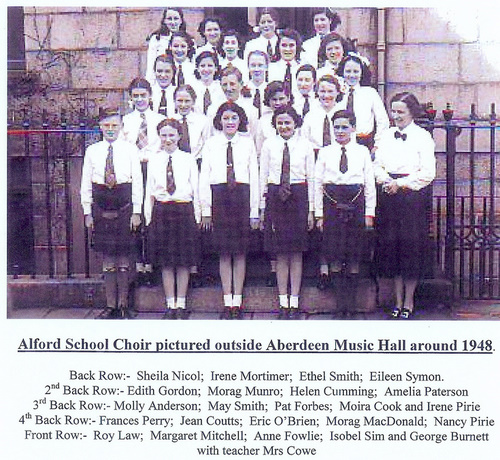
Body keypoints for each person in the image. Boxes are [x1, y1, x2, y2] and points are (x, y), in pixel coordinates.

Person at [374, 92, 436, 319]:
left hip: (411, 199)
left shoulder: (422, 137)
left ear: (412, 112)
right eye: (394, 111)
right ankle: (396, 301)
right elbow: (376, 165)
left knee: (411, 250)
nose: (396, 116)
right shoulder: (386, 136)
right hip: (389, 197)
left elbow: (427, 173)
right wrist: (387, 181)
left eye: (401, 111)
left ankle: (409, 301)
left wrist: (400, 184)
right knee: (392, 250)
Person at [80, 107, 143, 319]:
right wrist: (87, 212)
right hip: (101, 206)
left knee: (124, 258)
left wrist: (137, 211)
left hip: (124, 205)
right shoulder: (92, 151)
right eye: (106, 125)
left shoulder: (130, 149)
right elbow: (85, 184)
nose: (110, 129)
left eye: (114, 125)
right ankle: (110, 305)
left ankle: (124, 304)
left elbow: (138, 184)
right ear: (100, 127)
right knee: (108, 258)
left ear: (121, 127)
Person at [199, 102, 260, 319]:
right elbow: (204, 176)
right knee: (224, 252)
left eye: (234, 118)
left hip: (241, 197)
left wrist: (255, 211)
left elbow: (254, 177)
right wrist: (205, 209)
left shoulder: (248, 143)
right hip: (220, 197)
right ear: (219, 121)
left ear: (240, 121)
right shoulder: (211, 144)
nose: (230, 122)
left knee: (240, 252)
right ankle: (228, 301)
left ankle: (238, 302)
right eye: (226, 118)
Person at [315, 110, 376, 316]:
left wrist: (369, 213)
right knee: (334, 253)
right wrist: (319, 214)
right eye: (337, 127)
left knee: (353, 254)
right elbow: (317, 183)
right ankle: (339, 305)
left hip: (355, 202)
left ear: (353, 128)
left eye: (344, 127)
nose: (340, 131)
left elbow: (369, 184)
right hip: (332, 202)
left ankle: (351, 305)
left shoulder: (362, 152)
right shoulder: (325, 152)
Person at [260, 106, 315, 318]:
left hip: (298, 196)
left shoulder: (305, 146)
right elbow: (264, 175)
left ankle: (295, 301)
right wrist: (263, 209)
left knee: (296, 253)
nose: (284, 127)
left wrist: (311, 210)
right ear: (275, 124)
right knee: (281, 253)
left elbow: (311, 179)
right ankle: (283, 302)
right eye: (280, 123)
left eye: (288, 123)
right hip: (276, 197)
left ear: (296, 124)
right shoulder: (268, 145)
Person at [144, 119, 201, 319]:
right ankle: (170, 304)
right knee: (166, 261)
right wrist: (148, 216)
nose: (168, 139)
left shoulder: (188, 159)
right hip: (162, 210)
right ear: (159, 137)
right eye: (164, 135)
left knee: (183, 261)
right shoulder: (155, 160)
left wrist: (198, 215)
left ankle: (182, 303)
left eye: (172, 135)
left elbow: (196, 187)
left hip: (184, 210)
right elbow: (149, 190)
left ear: (179, 136)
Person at [121, 77, 166, 284]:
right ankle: (140, 267)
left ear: (150, 97)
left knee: (153, 216)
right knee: (136, 216)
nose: (140, 99)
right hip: (134, 170)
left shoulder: (158, 119)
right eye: (136, 96)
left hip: (153, 169)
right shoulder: (125, 121)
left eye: (143, 96)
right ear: (130, 98)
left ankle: (153, 265)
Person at [336, 53, 390, 155]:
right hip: (339, 142)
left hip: (363, 142)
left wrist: (377, 145)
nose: (352, 75)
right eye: (348, 71)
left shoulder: (370, 93)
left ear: (362, 73)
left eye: (356, 71)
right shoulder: (337, 93)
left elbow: (382, 121)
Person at [302, 74, 344, 150]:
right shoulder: (310, 116)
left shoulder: (344, 114)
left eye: (330, 91)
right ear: (317, 92)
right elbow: (304, 140)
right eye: (322, 91)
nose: (326, 95)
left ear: (338, 92)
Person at [145, 7, 185, 83]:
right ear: (164, 21)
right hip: (161, 81)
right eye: (169, 19)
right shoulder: (156, 39)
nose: (173, 22)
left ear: (181, 21)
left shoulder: (189, 40)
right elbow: (150, 66)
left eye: (176, 18)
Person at [268, 28, 302, 100]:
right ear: (278, 47)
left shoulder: (303, 69)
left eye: (291, 45)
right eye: (284, 45)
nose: (287, 49)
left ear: (297, 47)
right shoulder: (270, 68)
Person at [191, 51, 225, 116]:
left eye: (210, 65)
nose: (206, 69)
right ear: (197, 69)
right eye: (202, 66)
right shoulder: (192, 88)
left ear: (216, 68)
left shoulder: (221, 88)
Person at [150, 53, 176, 117]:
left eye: (167, 71)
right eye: (159, 71)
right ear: (154, 72)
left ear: (173, 72)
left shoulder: (178, 93)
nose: (163, 75)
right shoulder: (149, 93)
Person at [246, 50, 270, 119]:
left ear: (266, 67)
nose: (256, 69)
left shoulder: (272, 91)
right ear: (248, 67)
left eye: (260, 65)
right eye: (253, 65)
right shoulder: (241, 91)